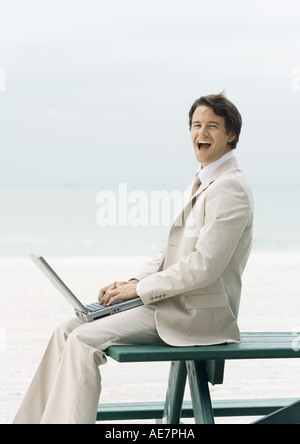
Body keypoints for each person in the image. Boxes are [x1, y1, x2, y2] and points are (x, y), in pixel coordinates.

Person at [13, 93, 254, 424]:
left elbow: (204, 267)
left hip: (196, 315)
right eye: (196, 125)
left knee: (83, 341)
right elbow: (168, 252)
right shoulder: (202, 181)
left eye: (213, 125)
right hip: (171, 302)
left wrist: (140, 292)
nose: (202, 132)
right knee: (66, 330)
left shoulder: (230, 188)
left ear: (231, 135)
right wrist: (134, 283)